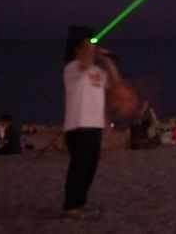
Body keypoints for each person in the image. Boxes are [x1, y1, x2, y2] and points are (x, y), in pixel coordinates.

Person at [62, 26, 121, 216]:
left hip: (95, 125)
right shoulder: (72, 68)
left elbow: (115, 81)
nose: (90, 47)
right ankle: (70, 206)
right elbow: (85, 62)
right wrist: (91, 46)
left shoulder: (97, 71)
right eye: (85, 45)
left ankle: (80, 203)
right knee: (79, 166)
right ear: (76, 49)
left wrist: (106, 58)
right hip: (78, 125)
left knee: (90, 167)